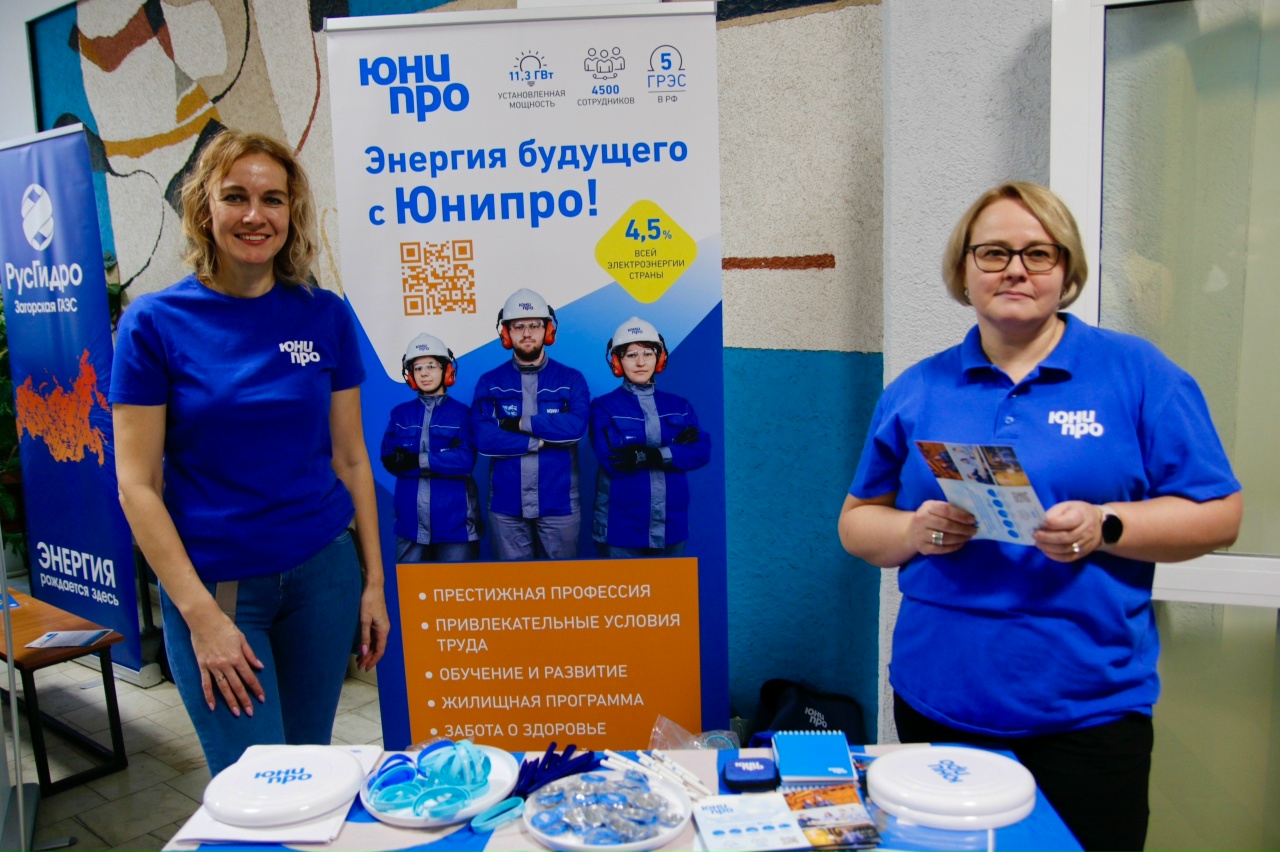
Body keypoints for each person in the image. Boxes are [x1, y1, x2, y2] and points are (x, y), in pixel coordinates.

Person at [837, 182, 1241, 852]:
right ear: (964, 268)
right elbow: (856, 524)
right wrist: (912, 530)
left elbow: (1220, 514)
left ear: (1067, 268)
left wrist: (1108, 526)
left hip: (1086, 716)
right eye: (993, 253)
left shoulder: (1138, 374)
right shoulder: (918, 389)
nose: (1015, 270)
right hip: (938, 705)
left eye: (1038, 253)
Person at [110, 129, 389, 776]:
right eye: (235, 196)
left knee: (309, 772)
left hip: (323, 577)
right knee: (257, 788)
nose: (255, 215)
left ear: (292, 213)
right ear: (204, 208)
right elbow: (136, 486)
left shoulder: (324, 315)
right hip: (220, 588)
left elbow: (351, 459)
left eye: (273, 199)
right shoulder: (154, 324)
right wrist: (200, 616)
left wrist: (373, 583)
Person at [471, 288, 590, 560]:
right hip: (506, 508)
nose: (527, 333)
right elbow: (484, 438)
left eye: (535, 325)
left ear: (548, 330)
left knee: (561, 584)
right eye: (518, 326)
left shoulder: (571, 379)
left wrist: (516, 423)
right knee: (513, 585)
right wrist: (537, 441)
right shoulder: (490, 382)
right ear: (506, 333)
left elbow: (575, 427)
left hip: (559, 505)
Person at [590, 317, 710, 557]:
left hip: (671, 528)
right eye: (631, 355)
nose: (641, 362)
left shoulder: (680, 406)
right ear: (617, 361)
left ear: (660, 358)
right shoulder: (603, 407)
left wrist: (650, 455)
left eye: (647, 353)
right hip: (621, 529)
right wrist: (674, 451)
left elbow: (701, 451)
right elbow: (615, 462)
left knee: (671, 584)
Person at [380, 333, 481, 562]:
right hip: (410, 526)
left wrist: (415, 460)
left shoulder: (463, 414)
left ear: (447, 370)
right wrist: (442, 459)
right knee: (411, 585)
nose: (424, 373)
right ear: (410, 375)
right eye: (417, 368)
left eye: (431, 366)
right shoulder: (400, 414)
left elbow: (464, 460)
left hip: (456, 526)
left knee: (456, 585)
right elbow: (390, 460)